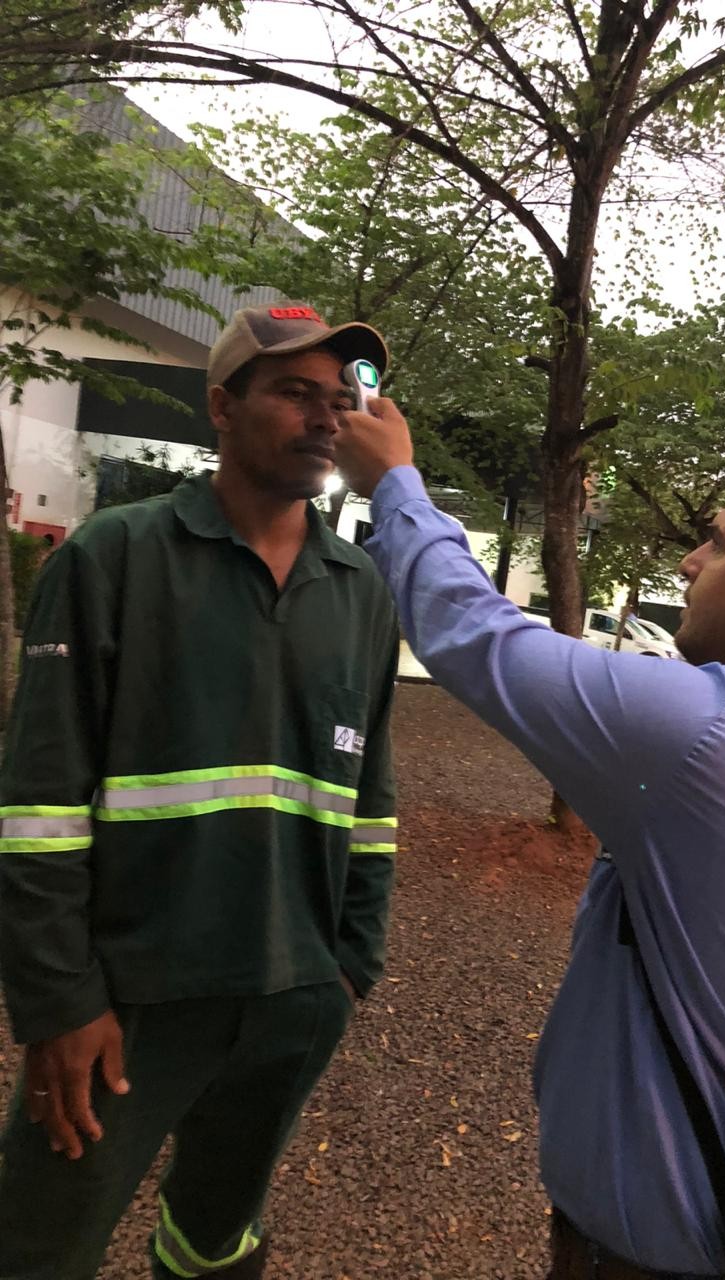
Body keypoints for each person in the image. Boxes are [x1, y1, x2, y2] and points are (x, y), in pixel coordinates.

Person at [332, 399, 725, 1280]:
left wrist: (394, 482)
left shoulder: (716, 733)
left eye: (717, 544)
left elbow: (476, 634)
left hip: (654, 1259)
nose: (689, 562)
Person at [0, 302, 400, 1280]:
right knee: (39, 1240)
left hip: (293, 996)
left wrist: (349, 964)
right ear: (222, 406)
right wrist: (58, 1001)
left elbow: (371, 800)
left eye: (339, 399)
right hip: (129, 998)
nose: (326, 416)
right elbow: (39, 804)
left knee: (216, 1236)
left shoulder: (360, 589)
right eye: (295, 392)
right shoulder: (113, 556)